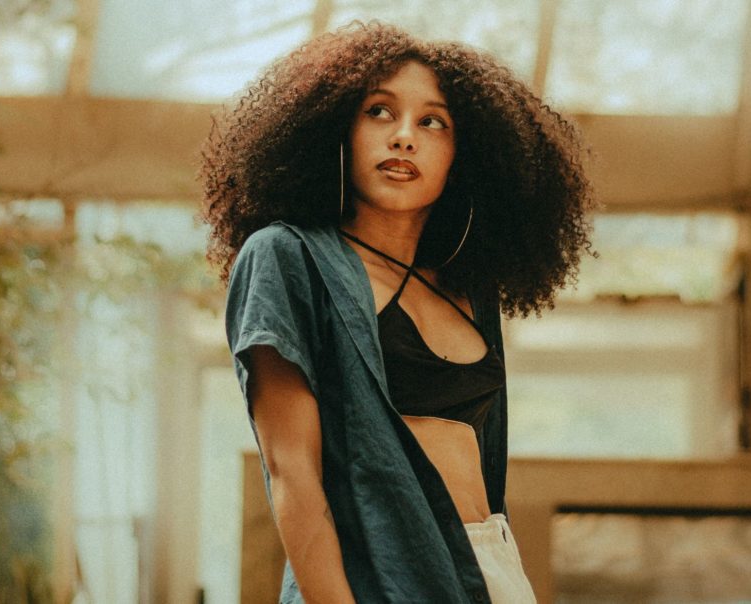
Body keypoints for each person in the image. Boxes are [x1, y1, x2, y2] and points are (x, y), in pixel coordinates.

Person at [201, 21, 593, 603]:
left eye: (433, 121)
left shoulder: (469, 287)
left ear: (466, 154)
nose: (404, 136)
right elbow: (294, 478)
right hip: (374, 575)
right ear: (336, 128)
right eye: (379, 112)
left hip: (489, 567)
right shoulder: (288, 257)